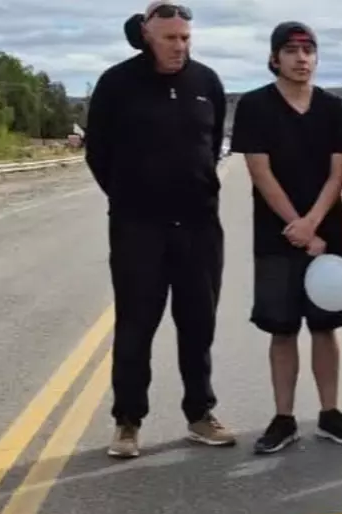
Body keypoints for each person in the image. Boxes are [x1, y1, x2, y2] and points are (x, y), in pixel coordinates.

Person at [86, 2, 233, 459]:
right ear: (147, 35)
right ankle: (127, 422)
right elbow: (98, 153)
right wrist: (130, 198)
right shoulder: (116, 84)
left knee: (199, 324)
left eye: (185, 38)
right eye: (170, 38)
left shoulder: (207, 83)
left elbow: (211, 146)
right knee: (136, 326)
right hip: (139, 229)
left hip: (199, 227)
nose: (179, 46)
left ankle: (200, 415)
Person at [230, 22, 342, 455]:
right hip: (277, 236)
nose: (301, 58)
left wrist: (313, 224)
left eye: (308, 51)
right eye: (291, 50)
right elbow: (260, 171)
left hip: (327, 237)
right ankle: (283, 418)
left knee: (326, 329)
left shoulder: (334, 108)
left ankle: (330, 413)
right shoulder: (255, 106)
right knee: (282, 330)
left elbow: (338, 173)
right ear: (275, 58)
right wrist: (296, 225)